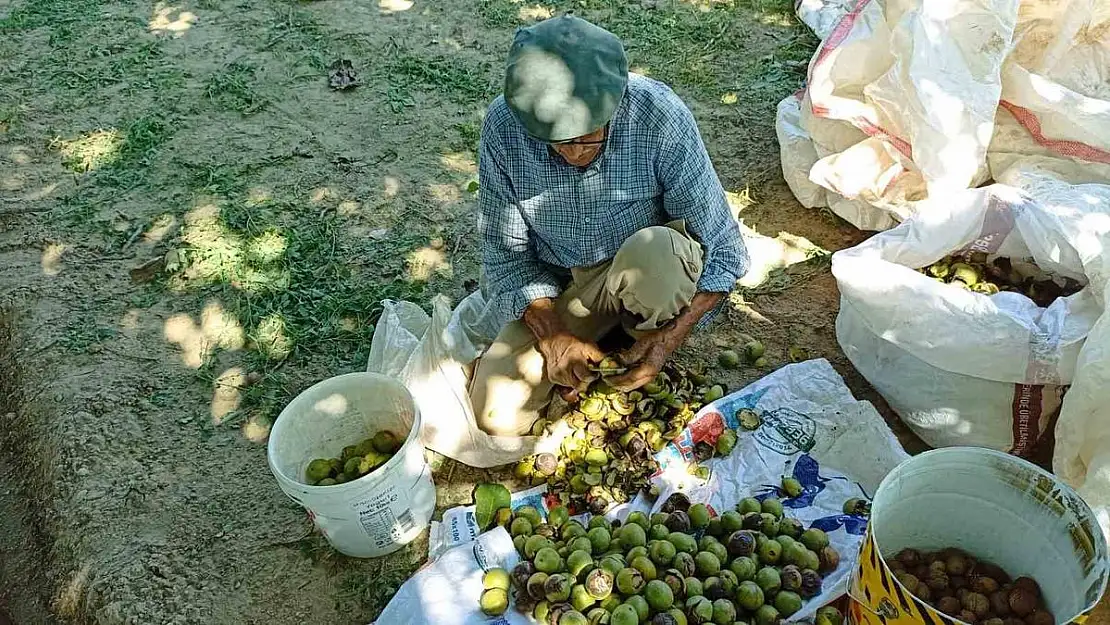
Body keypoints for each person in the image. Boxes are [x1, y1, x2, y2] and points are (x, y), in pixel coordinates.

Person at [470, 14, 749, 437]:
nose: (572, 153)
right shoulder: (504, 130)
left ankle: (640, 335)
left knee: (658, 254)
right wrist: (553, 334)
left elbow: (724, 250)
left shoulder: (658, 117)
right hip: (563, 283)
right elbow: (506, 258)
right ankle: (602, 340)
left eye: (587, 137)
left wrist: (666, 341)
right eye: (555, 142)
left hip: (645, 269)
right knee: (497, 416)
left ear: (614, 104)